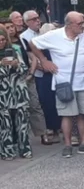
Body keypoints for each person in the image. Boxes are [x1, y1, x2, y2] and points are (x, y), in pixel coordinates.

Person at [29, 12, 84, 158]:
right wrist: (44, 60)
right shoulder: (55, 35)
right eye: (79, 24)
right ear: (69, 24)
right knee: (66, 115)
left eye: (83, 23)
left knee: (83, 113)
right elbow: (33, 43)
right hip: (64, 82)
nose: (83, 26)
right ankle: (67, 145)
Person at [3, 18, 48, 144]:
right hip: (9, 81)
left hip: (26, 77)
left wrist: (31, 73)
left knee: (35, 105)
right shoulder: (3, 45)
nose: (11, 29)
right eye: (7, 27)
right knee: (14, 109)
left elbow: (32, 57)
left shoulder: (21, 40)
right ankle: (16, 137)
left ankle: (42, 133)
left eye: (12, 26)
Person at [21, 10, 61, 143]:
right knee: (44, 101)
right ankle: (49, 128)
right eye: (33, 19)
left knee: (54, 100)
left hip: (53, 70)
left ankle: (57, 127)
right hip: (39, 73)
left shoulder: (45, 31)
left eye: (38, 18)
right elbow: (28, 56)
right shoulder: (24, 36)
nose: (37, 21)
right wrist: (40, 66)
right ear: (26, 22)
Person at [0, 27, 32, 160]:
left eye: (3, 39)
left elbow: (25, 70)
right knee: (5, 125)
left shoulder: (14, 51)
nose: (1, 42)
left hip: (19, 94)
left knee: (22, 124)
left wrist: (16, 65)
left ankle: (25, 150)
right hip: (3, 96)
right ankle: (7, 151)